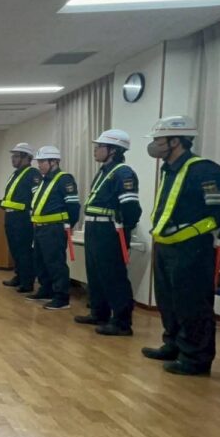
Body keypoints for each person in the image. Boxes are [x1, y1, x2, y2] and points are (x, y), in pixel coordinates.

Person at [142, 116, 220, 376]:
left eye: (158, 140)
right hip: (166, 246)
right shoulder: (169, 169)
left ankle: (196, 359)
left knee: (192, 304)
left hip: (192, 248)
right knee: (168, 301)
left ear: (176, 141)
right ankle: (173, 344)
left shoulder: (206, 171)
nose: (154, 145)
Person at [74, 130, 141, 336]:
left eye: (99, 147)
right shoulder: (104, 171)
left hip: (110, 230)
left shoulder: (123, 173)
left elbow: (131, 208)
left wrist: (124, 227)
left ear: (113, 150)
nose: (95, 150)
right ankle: (99, 313)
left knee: (113, 276)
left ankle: (121, 322)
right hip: (94, 228)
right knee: (95, 274)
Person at [27, 146, 81, 310]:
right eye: (39, 161)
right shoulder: (44, 180)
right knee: (40, 261)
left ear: (54, 162)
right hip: (40, 228)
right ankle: (46, 289)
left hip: (55, 228)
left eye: (42, 161)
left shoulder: (64, 179)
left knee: (55, 263)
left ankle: (61, 297)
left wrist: (68, 225)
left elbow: (73, 206)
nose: (39, 165)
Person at [0, 143, 39, 293]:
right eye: (13, 156)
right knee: (14, 249)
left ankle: (27, 281)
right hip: (11, 216)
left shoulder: (32, 173)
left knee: (24, 250)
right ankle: (19, 276)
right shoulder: (15, 174)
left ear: (26, 158)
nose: (13, 159)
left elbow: (36, 196)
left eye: (16, 156)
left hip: (23, 218)